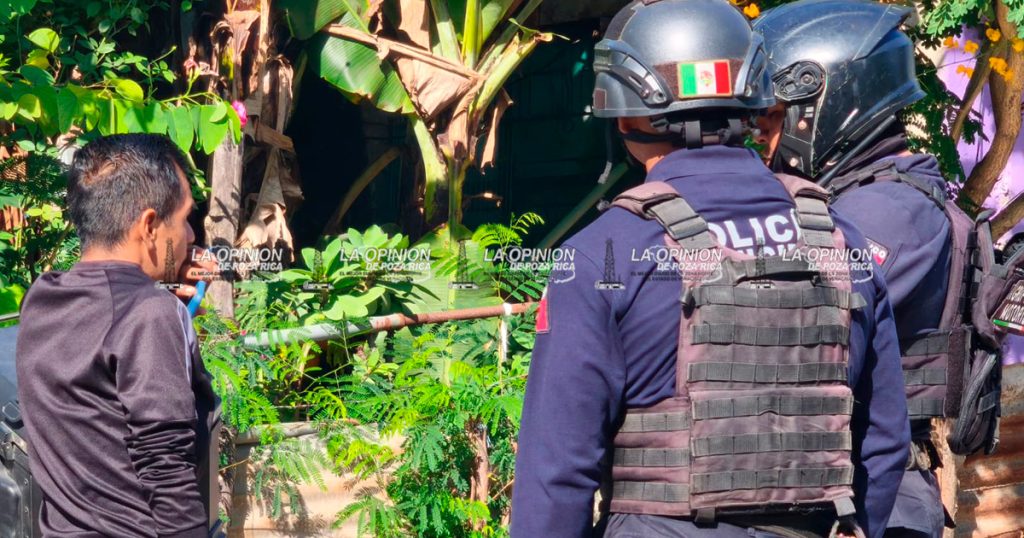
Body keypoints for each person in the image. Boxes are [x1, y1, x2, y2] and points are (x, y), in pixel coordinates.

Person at [510, 1, 909, 537]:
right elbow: (883, 448)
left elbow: (555, 474)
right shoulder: (840, 238)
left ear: (625, 113)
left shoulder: (602, 252)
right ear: (755, 103)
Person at [754, 2, 954, 536]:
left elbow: (791, 327)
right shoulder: (849, 199)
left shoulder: (889, 211)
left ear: (831, 106)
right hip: (842, 480)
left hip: (880, 499)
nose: (757, 134)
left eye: (772, 116)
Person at [15, 134, 219, 537]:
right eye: (183, 220)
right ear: (148, 225)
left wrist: (153, 275)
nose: (191, 237)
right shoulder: (151, 314)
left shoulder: (42, 299)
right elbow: (166, 467)